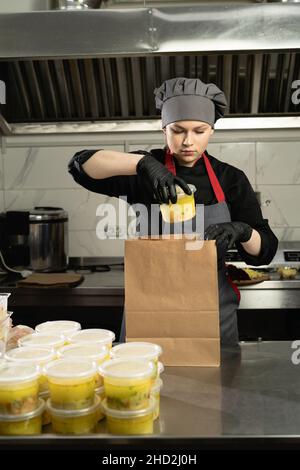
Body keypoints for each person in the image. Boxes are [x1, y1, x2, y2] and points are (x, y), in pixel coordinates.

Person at [68, 77, 278, 346]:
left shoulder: (230, 179)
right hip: (150, 310)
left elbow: (265, 251)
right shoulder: (144, 171)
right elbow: (79, 166)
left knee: (212, 387)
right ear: (163, 128)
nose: (188, 141)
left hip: (212, 313)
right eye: (178, 130)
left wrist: (243, 231)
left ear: (211, 130)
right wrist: (143, 164)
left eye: (199, 131)